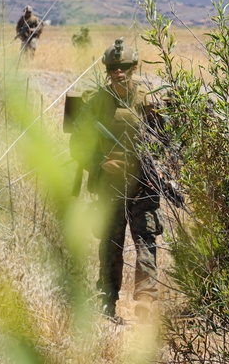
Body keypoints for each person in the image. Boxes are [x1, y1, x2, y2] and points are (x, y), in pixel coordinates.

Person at [68, 38, 161, 321]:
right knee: (110, 243)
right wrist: (99, 163)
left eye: (123, 67)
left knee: (145, 238)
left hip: (142, 183)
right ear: (107, 70)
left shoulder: (147, 100)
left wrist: (158, 166)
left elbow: (166, 141)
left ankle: (145, 299)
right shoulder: (96, 103)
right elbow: (78, 144)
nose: (118, 73)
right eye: (112, 68)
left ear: (134, 68)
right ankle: (107, 300)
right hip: (110, 187)